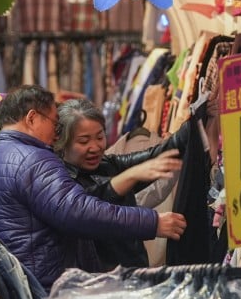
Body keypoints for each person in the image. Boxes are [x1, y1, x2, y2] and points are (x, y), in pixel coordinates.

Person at [0, 85, 187, 289]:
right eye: (54, 123)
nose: (56, 133)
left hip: (0, 294)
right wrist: (152, 222)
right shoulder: (32, 159)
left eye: (99, 137)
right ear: (32, 118)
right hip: (37, 292)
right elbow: (79, 211)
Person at [54, 97, 187, 270]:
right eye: (84, 141)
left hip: (132, 276)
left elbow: (158, 154)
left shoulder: (106, 165)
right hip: (94, 285)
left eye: (99, 137)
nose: (94, 147)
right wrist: (131, 176)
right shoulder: (58, 180)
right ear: (63, 143)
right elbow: (92, 208)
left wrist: (197, 118)